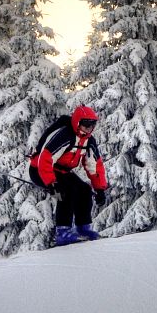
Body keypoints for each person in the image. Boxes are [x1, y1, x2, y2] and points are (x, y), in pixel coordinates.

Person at [29, 105, 109, 246]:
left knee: (84, 190)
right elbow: (45, 158)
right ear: (78, 122)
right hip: (40, 169)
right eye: (86, 124)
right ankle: (63, 232)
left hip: (62, 171)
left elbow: (94, 165)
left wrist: (100, 188)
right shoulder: (65, 135)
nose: (89, 128)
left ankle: (83, 228)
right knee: (66, 191)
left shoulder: (88, 141)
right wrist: (51, 183)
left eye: (92, 125)